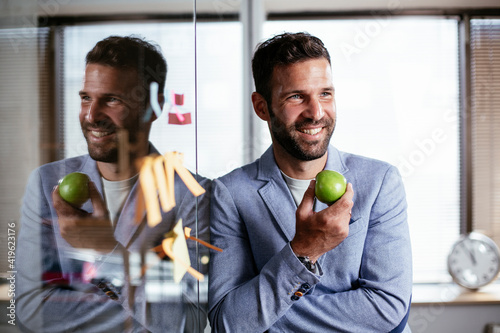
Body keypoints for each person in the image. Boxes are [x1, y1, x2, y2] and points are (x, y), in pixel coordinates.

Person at [208, 32, 412, 332]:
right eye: (296, 96)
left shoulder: (381, 182)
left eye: (325, 94)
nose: (316, 113)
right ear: (262, 107)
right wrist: (304, 250)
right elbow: (228, 321)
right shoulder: (229, 194)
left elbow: (387, 307)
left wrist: (264, 318)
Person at [16, 35, 211, 333]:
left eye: (112, 100)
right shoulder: (45, 183)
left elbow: (187, 322)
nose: (92, 116)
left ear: (154, 106)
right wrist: (144, 314)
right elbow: (30, 307)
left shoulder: (194, 195)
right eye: (86, 98)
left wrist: (105, 248)